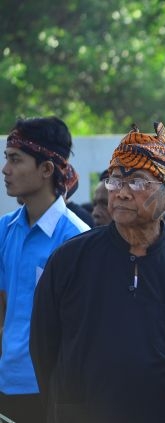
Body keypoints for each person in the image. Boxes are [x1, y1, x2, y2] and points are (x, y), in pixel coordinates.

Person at [30, 122, 165, 423]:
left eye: (139, 182)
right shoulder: (70, 260)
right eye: (116, 180)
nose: (121, 192)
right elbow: (44, 347)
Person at [0, 116, 90, 423]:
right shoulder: (5, 230)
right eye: (6, 159)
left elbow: (82, 325)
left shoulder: (75, 238)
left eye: (15, 159)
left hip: (54, 390)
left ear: (47, 169)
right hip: (7, 381)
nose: (5, 169)